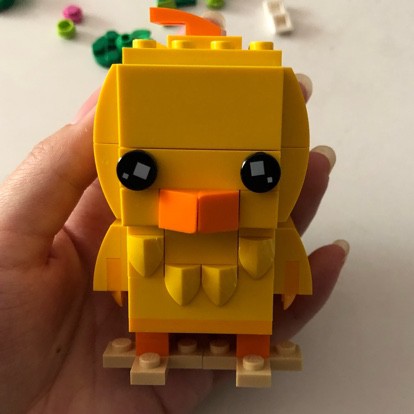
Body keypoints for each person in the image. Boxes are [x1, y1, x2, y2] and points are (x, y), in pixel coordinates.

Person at [0, 79, 349, 414]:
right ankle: (154, 342)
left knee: (246, 308)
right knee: (153, 312)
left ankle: (248, 342)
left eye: (258, 175)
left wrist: (289, 273)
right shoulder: (133, 228)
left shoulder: (266, 229)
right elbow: (115, 256)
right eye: (141, 172)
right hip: (165, 271)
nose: (199, 204)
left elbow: (284, 250)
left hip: (240, 263)